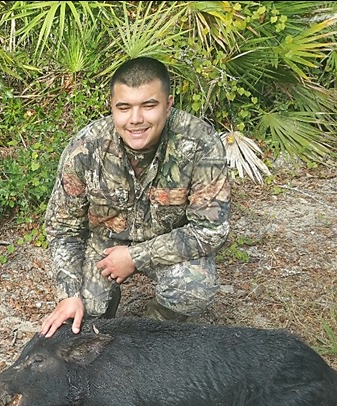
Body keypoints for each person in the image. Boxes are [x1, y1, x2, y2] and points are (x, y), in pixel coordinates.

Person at [39, 56, 230, 338]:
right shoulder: (85, 149)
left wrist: (135, 257)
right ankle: (104, 307)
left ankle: (148, 334)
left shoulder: (200, 143)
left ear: (168, 104)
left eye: (149, 106)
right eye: (124, 108)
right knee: (80, 321)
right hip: (103, 247)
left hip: (167, 243)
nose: (136, 119)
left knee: (193, 288)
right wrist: (67, 294)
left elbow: (210, 230)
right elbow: (63, 228)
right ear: (112, 108)